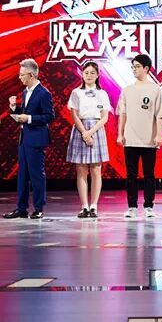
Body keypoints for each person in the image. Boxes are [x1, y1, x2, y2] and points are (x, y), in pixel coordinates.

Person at [4, 58, 53, 219]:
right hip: (24, 139)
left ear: (31, 75)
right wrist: (14, 108)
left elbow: (49, 116)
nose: (20, 78)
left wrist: (29, 118)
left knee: (36, 175)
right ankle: (21, 208)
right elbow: (25, 113)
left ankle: (38, 208)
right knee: (23, 175)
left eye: (22, 75)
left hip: (36, 139)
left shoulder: (44, 93)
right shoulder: (26, 92)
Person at [117, 54, 162, 219]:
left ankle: (149, 206)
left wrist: (159, 134)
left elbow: (159, 114)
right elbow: (122, 114)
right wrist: (120, 134)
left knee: (149, 174)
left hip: (149, 139)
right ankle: (132, 207)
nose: (134, 69)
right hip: (130, 138)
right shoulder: (127, 90)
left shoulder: (155, 89)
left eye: (137, 66)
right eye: (133, 67)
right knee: (131, 175)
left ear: (146, 68)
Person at [66, 61, 111, 218]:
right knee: (81, 170)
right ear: (82, 74)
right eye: (86, 73)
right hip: (80, 129)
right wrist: (84, 133)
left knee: (96, 170)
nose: (89, 75)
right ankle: (84, 206)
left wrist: (90, 132)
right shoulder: (76, 93)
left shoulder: (102, 94)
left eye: (92, 73)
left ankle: (94, 206)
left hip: (96, 130)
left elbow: (105, 117)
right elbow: (74, 115)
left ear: (97, 75)